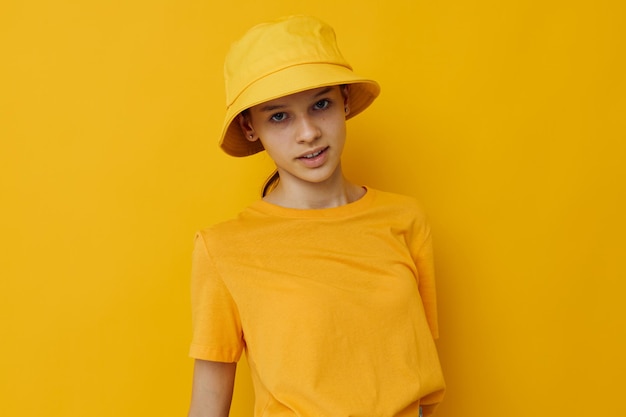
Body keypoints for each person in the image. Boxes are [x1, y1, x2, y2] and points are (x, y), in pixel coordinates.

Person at [187, 15, 445, 417]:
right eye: (279, 116)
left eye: (320, 104)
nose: (308, 133)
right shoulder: (222, 249)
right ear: (250, 127)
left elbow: (420, 377)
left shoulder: (405, 219)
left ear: (343, 100)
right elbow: (208, 401)